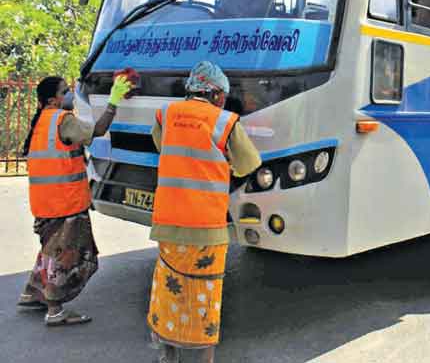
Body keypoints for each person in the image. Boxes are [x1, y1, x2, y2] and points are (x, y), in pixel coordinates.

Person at [147, 61, 260, 363]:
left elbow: (162, 146)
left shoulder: (166, 114)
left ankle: (168, 355)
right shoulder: (225, 121)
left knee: (169, 289)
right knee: (203, 295)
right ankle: (204, 359)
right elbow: (249, 163)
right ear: (217, 95)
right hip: (206, 225)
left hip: (168, 220)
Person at [19, 74, 131, 325]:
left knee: (51, 251)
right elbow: (99, 130)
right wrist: (113, 101)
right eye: (64, 91)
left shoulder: (41, 122)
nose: (70, 94)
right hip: (65, 203)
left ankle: (33, 291)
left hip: (45, 202)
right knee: (67, 257)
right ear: (52, 100)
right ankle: (55, 310)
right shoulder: (63, 120)